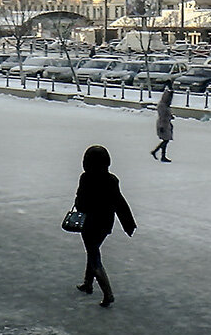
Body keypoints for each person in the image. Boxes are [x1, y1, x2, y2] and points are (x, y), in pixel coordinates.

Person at [73, 145, 136, 308]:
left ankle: (108, 293)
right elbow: (120, 203)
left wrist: (79, 207)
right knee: (93, 251)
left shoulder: (86, 178)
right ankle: (88, 283)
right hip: (105, 223)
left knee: (94, 257)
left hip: (89, 224)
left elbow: (80, 200)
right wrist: (128, 224)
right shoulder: (111, 180)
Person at [150, 87, 174, 162]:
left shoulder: (164, 105)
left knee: (166, 140)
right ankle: (157, 152)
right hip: (163, 125)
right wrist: (162, 126)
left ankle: (161, 154)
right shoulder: (163, 106)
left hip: (166, 124)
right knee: (166, 140)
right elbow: (163, 116)